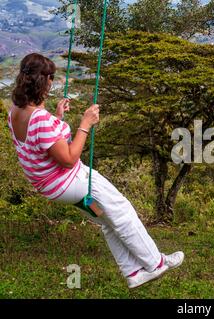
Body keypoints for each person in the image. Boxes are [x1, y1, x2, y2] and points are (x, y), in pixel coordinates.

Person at [7, 53, 184, 289]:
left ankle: (133, 272)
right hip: (73, 181)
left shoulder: (16, 112)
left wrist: (58, 118)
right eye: (51, 78)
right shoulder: (40, 118)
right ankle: (156, 263)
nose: (52, 83)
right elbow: (69, 158)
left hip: (53, 188)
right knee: (122, 212)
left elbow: (39, 143)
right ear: (44, 81)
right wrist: (85, 124)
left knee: (106, 220)